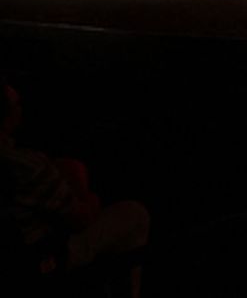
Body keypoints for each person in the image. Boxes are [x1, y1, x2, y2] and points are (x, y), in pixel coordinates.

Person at [1, 80, 150, 291]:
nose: (21, 109)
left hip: (18, 260)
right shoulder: (24, 165)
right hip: (42, 259)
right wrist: (86, 192)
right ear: (7, 116)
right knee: (135, 214)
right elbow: (80, 219)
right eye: (16, 104)